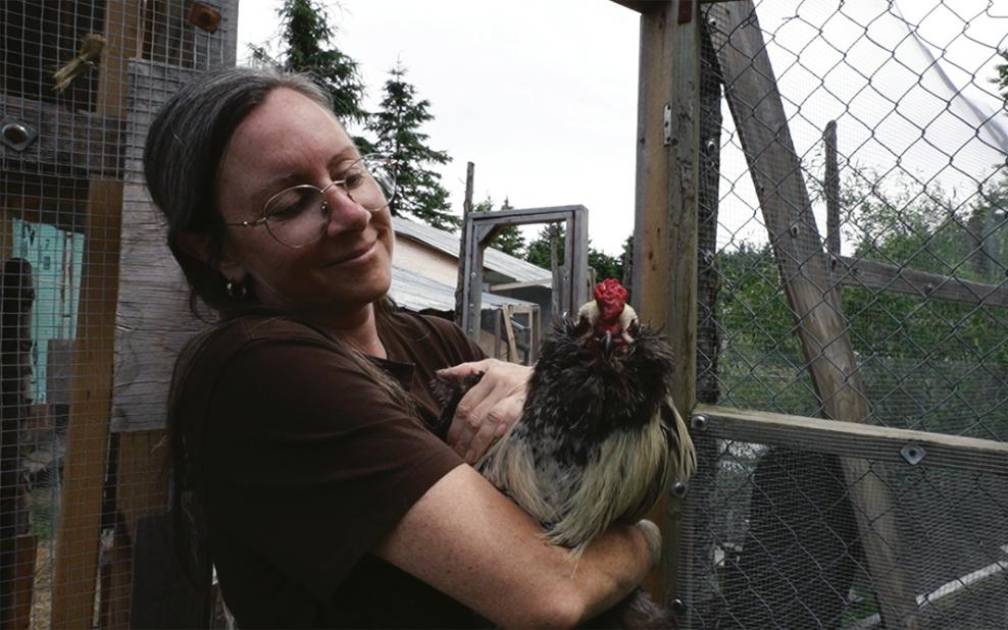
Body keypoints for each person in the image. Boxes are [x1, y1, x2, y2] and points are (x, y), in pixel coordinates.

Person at [143, 66, 660, 628]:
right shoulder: (259, 371)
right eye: (291, 203)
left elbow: (594, 500)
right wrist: (645, 542)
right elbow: (549, 594)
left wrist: (546, 387)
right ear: (216, 251)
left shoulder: (434, 341)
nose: (351, 213)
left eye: (350, 174)